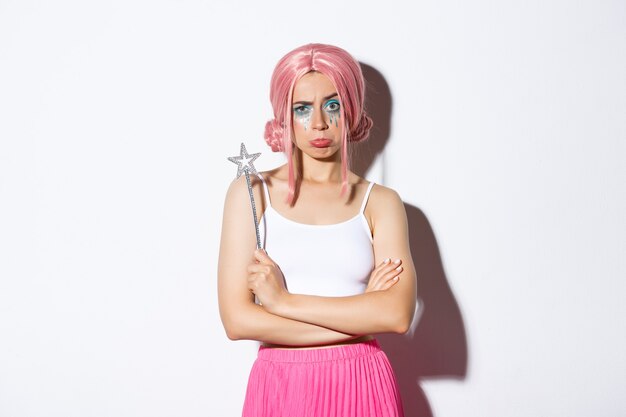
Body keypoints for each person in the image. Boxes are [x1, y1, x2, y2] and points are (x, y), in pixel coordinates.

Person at [217, 43, 416, 417]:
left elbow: (397, 315)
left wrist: (283, 303)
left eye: (333, 104)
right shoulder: (251, 192)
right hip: (281, 385)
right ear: (284, 117)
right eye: (302, 108)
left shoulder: (381, 203)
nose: (319, 124)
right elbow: (237, 321)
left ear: (352, 109)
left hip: (362, 382)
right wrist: (361, 321)